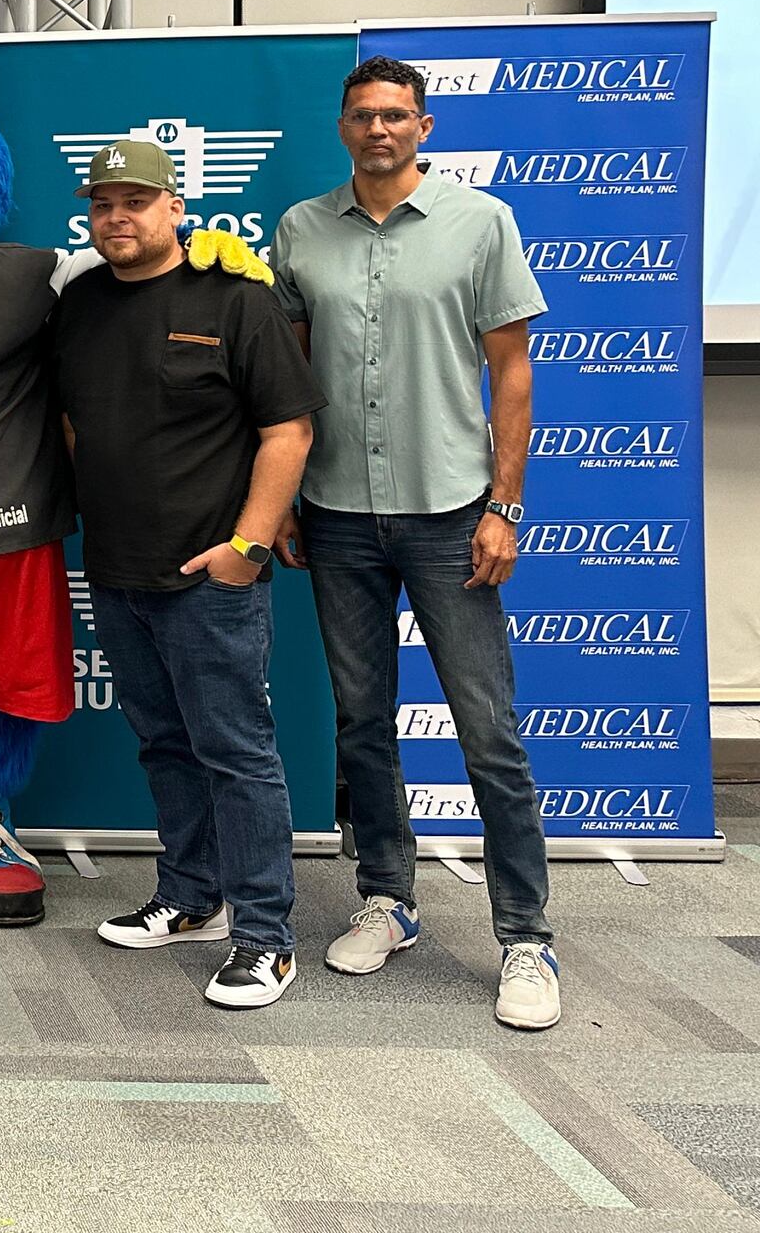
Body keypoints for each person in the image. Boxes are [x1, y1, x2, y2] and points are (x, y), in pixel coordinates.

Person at [272, 54, 558, 1030]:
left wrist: (503, 507)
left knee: (489, 735)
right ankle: (386, 901)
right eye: (362, 115)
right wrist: (278, 503)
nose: (379, 129)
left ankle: (524, 938)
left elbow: (511, 376)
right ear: (343, 127)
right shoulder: (301, 231)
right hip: (338, 515)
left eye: (396, 114)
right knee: (361, 725)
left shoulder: (482, 224)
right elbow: (288, 379)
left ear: (424, 127)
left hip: (451, 516)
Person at [54, 140, 321, 1010]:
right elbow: (71, 421)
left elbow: (289, 432)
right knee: (166, 744)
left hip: (212, 578)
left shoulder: (236, 299)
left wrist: (246, 548)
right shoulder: (82, 302)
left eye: (137, 201)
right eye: (104, 204)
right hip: (117, 571)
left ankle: (266, 937)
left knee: (237, 754)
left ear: (176, 208)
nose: (118, 218)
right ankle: (192, 896)